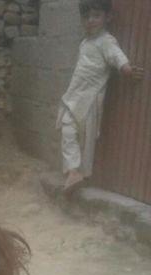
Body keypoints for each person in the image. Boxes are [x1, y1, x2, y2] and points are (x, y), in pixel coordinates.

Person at [57, 0, 143, 193]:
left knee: (86, 138)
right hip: (74, 96)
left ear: (108, 17)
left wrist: (126, 69)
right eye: (86, 17)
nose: (90, 20)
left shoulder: (106, 41)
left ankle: (82, 173)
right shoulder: (85, 42)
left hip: (90, 99)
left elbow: (116, 55)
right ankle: (73, 170)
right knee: (68, 129)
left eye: (96, 16)